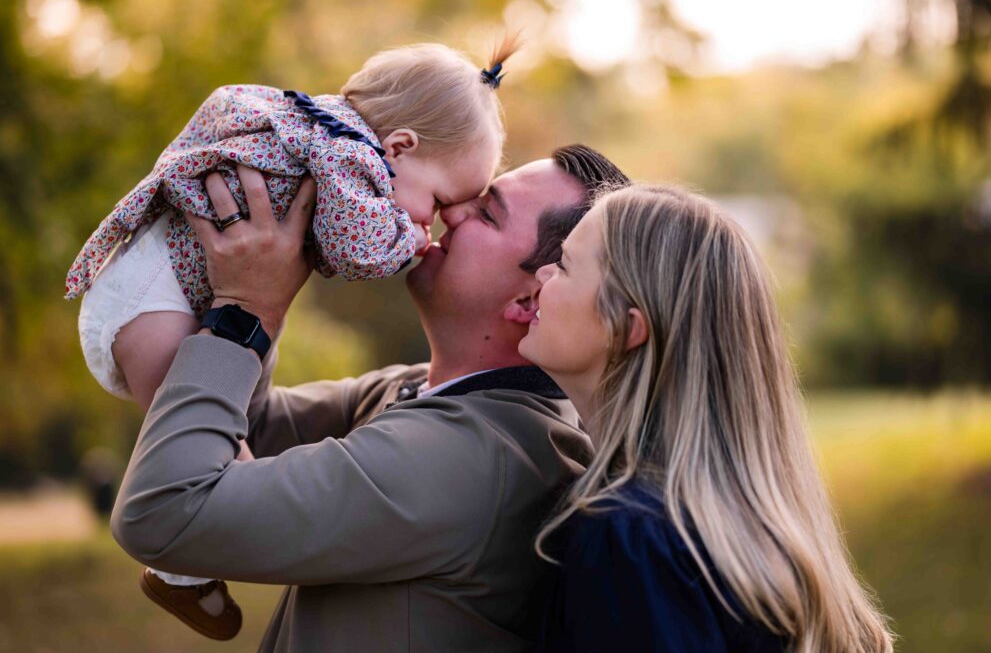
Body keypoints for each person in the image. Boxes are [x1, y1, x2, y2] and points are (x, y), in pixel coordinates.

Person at [67, 39, 516, 637]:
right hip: (155, 299)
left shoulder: (310, 124)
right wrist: (403, 243)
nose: (433, 224)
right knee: (215, 470)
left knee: (212, 440)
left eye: (474, 213)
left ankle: (181, 567)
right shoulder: (347, 159)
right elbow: (358, 250)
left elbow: (258, 414)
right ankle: (181, 572)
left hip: (148, 292)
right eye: (437, 202)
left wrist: (256, 306)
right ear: (399, 146)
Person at [110, 145, 631, 651]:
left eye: (487, 214)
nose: (453, 208)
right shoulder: (421, 389)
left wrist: (245, 311)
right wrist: (282, 260)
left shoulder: (466, 460)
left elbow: (164, 511)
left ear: (529, 298)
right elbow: (253, 428)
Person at [518, 184, 895, 652]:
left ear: (626, 328)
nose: (542, 273)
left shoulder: (632, 538)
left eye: (566, 265)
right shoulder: (716, 521)